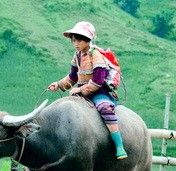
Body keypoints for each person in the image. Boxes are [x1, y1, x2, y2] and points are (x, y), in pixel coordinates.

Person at [47, 21, 128, 159]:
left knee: (105, 108)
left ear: (87, 40)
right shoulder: (77, 55)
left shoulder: (95, 55)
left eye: (79, 40)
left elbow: (98, 80)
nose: (75, 43)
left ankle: (119, 145)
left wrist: (81, 90)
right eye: (73, 40)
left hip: (98, 92)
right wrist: (58, 85)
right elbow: (73, 77)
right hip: (80, 92)